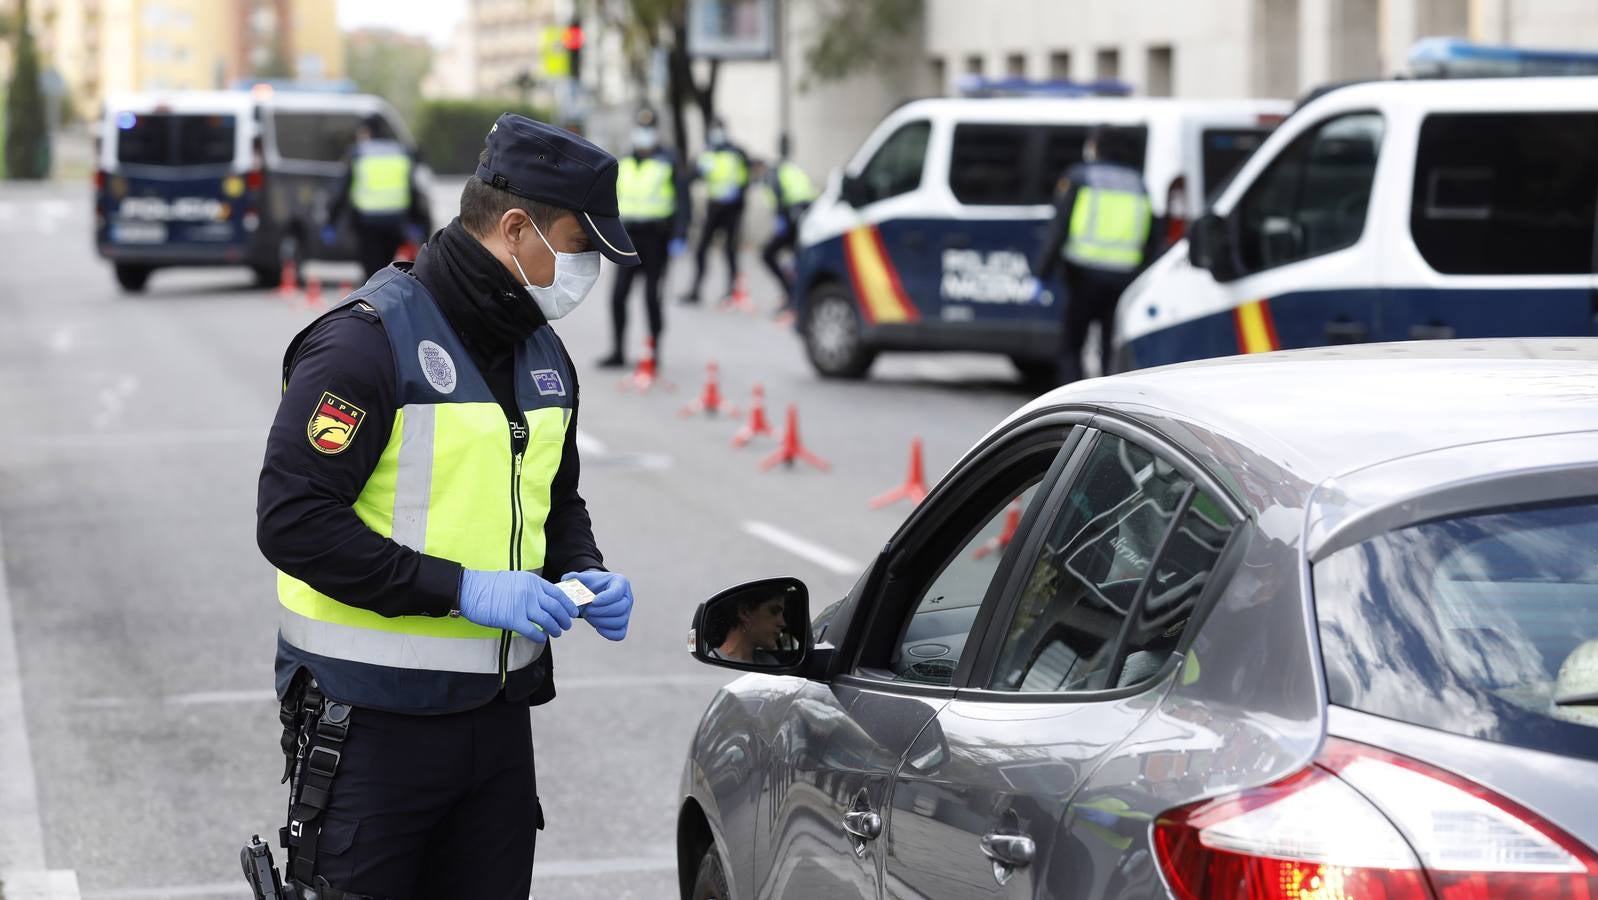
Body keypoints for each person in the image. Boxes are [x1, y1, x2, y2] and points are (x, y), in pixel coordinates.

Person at [257, 113, 640, 899]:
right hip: (368, 726)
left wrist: (584, 570)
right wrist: (462, 589)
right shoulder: (366, 344)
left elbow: (554, 496)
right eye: (577, 245)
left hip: (496, 725)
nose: (587, 268)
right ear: (514, 228)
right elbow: (294, 521)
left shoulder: (540, 352)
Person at [1034, 125, 1159, 385]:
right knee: (1109, 345)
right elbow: (1151, 237)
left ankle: (1072, 397)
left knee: (1072, 344)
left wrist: (1042, 273)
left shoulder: (1080, 177)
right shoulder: (1138, 183)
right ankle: (1107, 399)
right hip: (1123, 277)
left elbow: (1059, 228)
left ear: (1096, 146)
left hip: (1082, 275)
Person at [599, 108, 689, 369]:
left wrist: (680, 235)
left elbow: (683, 203)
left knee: (651, 296)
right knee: (618, 296)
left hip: (657, 237)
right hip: (628, 237)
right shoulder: (624, 162)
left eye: (649, 129)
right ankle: (617, 351)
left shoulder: (669, 161)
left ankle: (653, 352)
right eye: (641, 129)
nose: (644, 134)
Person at [324, 116, 430, 280]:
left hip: (367, 223)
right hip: (395, 222)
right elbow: (412, 191)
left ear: (367, 132)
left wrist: (331, 221)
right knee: (387, 267)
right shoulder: (401, 152)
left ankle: (372, 299)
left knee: (371, 271)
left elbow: (343, 191)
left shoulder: (359, 153)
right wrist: (416, 221)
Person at [681, 118, 750, 305]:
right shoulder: (706, 153)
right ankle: (696, 289)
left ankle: (732, 291)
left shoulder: (737, 153)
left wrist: (741, 199)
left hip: (732, 209)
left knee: (730, 251)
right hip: (713, 208)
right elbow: (692, 176)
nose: (716, 133)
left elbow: (747, 177)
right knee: (701, 249)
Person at [754, 154, 817, 317]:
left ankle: (792, 298)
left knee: (768, 254)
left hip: (793, 216)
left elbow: (781, 198)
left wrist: (781, 218)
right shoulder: (783, 170)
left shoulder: (771, 175)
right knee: (797, 258)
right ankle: (794, 297)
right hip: (805, 214)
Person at [707, 590, 790, 665]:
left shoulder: (770, 662)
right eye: (774, 611)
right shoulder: (711, 664)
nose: (783, 623)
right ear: (745, 612)